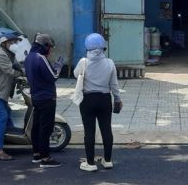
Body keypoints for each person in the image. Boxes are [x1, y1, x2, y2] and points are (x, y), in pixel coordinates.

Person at [74, 33, 122, 173]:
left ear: (87, 48)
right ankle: (107, 160)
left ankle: (90, 163)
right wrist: (117, 99)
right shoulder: (110, 63)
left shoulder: (83, 62)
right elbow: (114, 85)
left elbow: (76, 75)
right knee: (106, 129)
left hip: (87, 100)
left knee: (89, 131)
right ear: (103, 48)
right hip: (105, 99)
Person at [25, 33, 64, 168]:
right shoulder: (40, 58)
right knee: (45, 128)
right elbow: (53, 76)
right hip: (47, 98)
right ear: (44, 46)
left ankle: (36, 154)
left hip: (36, 97)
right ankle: (46, 158)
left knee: (36, 126)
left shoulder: (29, 57)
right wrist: (58, 66)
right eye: (49, 47)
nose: (50, 50)